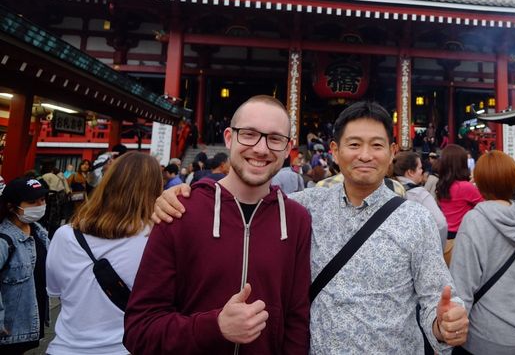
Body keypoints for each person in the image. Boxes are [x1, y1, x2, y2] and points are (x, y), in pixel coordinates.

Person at [154, 101, 469, 354]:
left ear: (391, 152)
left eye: (376, 145)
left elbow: (436, 298)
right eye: (354, 144)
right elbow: (248, 199)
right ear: (334, 151)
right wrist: (184, 194)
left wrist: (444, 324)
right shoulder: (301, 208)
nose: (364, 155)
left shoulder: (416, 219)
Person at [124, 95, 312, 354]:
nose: (261, 148)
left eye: (275, 139)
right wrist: (214, 327)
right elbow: (139, 330)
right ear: (228, 137)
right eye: (248, 134)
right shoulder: (180, 211)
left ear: (288, 147)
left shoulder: (297, 220)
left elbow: (296, 321)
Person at [45, 152, 163, 355]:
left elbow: (55, 290)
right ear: (155, 189)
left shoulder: (65, 235)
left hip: (65, 347)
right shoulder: (155, 239)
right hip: (124, 348)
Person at [450, 151, 515, 355]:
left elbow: (462, 284)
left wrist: (453, 333)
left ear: (480, 182)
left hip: (484, 337)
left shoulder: (474, 221)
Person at [0, 177, 50, 354]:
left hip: (30, 323)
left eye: (42, 200)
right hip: (8, 330)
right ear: (11, 206)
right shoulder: (4, 239)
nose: (39, 205)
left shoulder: (40, 232)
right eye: (31, 201)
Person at [436, 144, 483, 265]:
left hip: (444, 239)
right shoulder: (464, 187)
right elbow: (485, 205)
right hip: (461, 238)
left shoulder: (441, 185)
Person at [393, 150, 447, 249]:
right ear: (410, 172)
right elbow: (441, 224)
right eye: (420, 168)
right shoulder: (419, 194)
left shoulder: (386, 188)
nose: (422, 171)